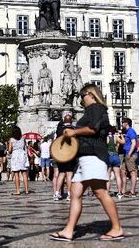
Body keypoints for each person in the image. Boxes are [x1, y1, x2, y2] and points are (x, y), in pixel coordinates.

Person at [49, 83, 123, 242]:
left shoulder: (96, 108)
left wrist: (74, 131)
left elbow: (93, 129)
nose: (81, 100)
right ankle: (68, 230)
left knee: (100, 192)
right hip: (84, 156)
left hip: (93, 155)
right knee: (75, 193)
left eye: (82, 96)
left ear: (91, 94)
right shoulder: (90, 110)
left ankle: (117, 228)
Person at [53, 113, 76, 201]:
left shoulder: (59, 129)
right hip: (70, 153)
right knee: (69, 174)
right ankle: (69, 193)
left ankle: (57, 193)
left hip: (61, 153)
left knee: (61, 173)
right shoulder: (73, 129)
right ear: (71, 121)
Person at [121, 118, 138, 198]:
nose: (122, 124)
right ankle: (123, 191)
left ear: (126, 123)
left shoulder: (131, 131)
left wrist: (129, 154)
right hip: (126, 154)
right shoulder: (127, 132)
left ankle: (132, 192)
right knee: (123, 171)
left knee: (132, 172)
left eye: (122, 122)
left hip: (130, 155)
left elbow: (134, 143)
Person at [9, 126, 29, 195]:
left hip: (15, 155)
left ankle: (18, 191)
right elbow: (25, 147)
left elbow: (9, 150)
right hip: (22, 155)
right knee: (24, 174)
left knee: (16, 174)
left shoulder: (11, 139)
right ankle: (26, 190)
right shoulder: (23, 138)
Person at [106, 127, 123, 197]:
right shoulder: (116, 137)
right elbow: (123, 142)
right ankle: (119, 192)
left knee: (108, 176)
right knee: (118, 176)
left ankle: (107, 193)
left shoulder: (106, 138)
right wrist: (121, 135)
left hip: (109, 156)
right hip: (116, 156)